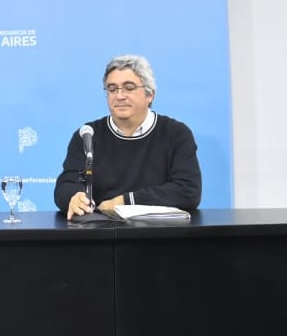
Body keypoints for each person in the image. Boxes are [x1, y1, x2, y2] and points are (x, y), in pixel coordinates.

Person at [54, 54, 201, 218]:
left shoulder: (176, 134)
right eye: (112, 89)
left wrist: (125, 201)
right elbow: (64, 186)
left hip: (159, 235)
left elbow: (188, 191)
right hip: (100, 234)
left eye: (129, 88)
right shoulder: (88, 135)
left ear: (149, 94)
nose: (119, 96)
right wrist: (74, 197)